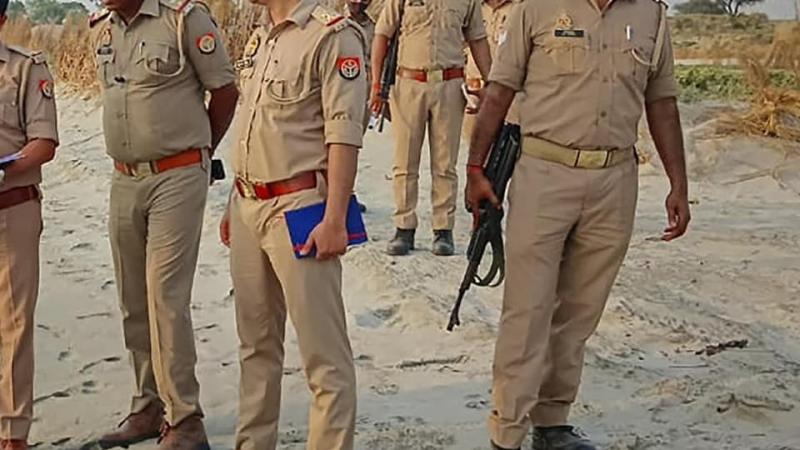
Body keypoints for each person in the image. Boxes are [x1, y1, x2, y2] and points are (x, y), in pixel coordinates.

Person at [465, 0, 691, 448]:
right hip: (543, 174)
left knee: (578, 313)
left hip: (615, 180)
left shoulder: (650, 14)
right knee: (527, 312)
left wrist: (678, 183)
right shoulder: (535, 9)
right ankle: (507, 431)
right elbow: (499, 90)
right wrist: (476, 168)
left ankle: (552, 422)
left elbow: (661, 102)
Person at [89, 0, 239, 447]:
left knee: (165, 297)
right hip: (124, 177)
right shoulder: (102, 28)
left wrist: (200, 153)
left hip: (177, 173)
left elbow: (225, 92)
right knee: (133, 297)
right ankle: (148, 407)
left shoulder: (183, 19)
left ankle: (185, 418)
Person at [218, 0, 366, 448]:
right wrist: (233, 201)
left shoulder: (332, 36)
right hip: (248, 203)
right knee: (256, 346)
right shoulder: (262, 36)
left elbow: (344, 135)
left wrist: (335, 218)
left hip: (300, 207)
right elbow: (253, 127)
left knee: (324, 359)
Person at [371, 0, 492, 256]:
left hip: (450, 84)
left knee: (445, 163)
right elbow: (382, 34)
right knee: (405, 162)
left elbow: (478, 39)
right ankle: (404, 227)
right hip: (408, 83)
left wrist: (491, 82)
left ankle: (443, 229)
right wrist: (376, 85)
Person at [0, 3, 59, 449]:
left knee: (14, 323)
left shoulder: (25, 69)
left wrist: (4, 169)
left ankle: (12, 433)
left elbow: (44, 143)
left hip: (12, 208)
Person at [462, 0, 520, 137]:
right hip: (474, 100)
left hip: (513, 101)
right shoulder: (470, 5)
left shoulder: (523, 8)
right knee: (474, 146)